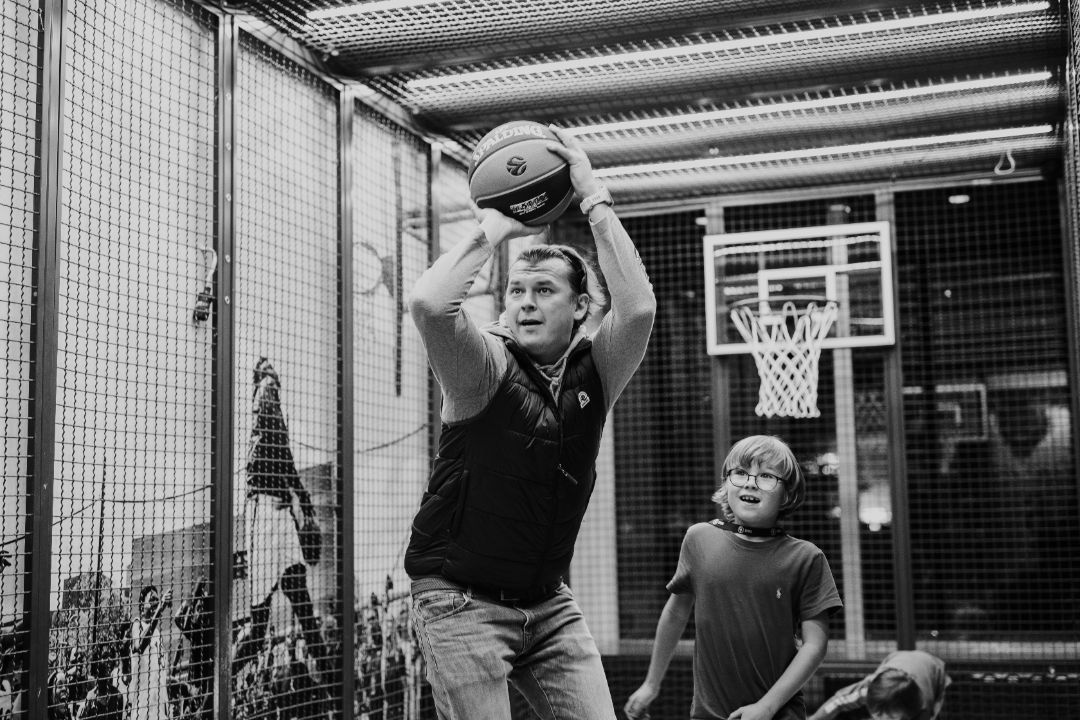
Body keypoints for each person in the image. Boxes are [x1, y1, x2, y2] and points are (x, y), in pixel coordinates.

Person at [404, 124, 656, 719]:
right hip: (461, 604)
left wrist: (593, 198)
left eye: (544, 290)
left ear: (580, 307)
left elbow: (638, 308)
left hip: (548, 604)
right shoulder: (484, 366)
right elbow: (430, 304)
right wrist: (494, 225)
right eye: (516, 290)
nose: (525, 302)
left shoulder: (597, 370)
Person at [624, 435, 843, 720]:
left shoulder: (806, 557)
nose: (750, 483)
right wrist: (651, 684)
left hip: (779, 714)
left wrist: (767, 707)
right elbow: (675, 614)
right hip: (708, 713)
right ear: (726, 483)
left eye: (766, 476)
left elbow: (815, 645)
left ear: (787, 494)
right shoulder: (699, 538)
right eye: (740, 473)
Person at [808, 650, 950, 720]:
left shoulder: (922, 707)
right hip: (896, 658)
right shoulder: (868, 689)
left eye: (890, 718)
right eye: (877, 716)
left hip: (934, 669)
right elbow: (837, 702)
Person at [127, 584, 172, 720]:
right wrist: (160, 609)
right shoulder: (137, 624)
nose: (155, 603)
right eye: (152, 600)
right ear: (142, 605)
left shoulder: (157, 633)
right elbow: (139, 645)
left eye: (157, 601)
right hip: (143, 708)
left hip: (160, 706)